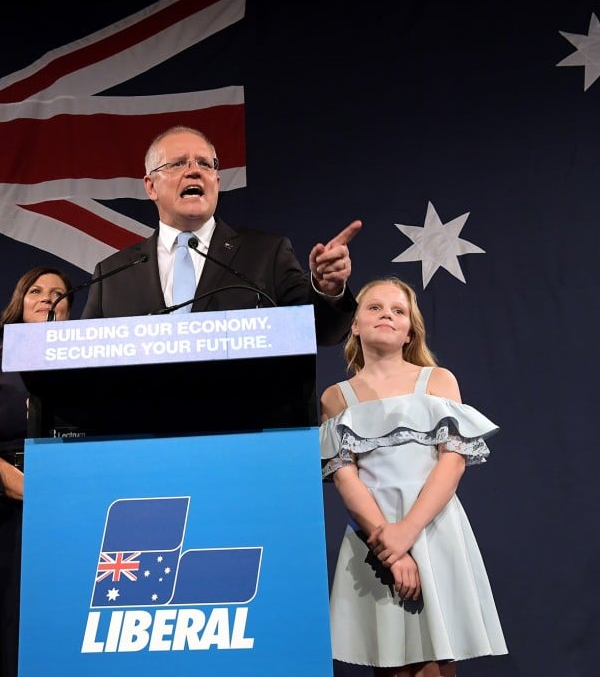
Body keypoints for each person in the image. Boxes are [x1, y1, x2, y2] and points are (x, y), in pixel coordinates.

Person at [319, 276, 507, 676]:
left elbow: (452, 462)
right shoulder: (336, 398)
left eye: (398, 311)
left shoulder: (438, 381)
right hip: (374, 539)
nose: (386, 314)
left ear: (409, 331)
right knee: (390, 659)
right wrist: (389, 545)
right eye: (374, 307)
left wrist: (408, 532)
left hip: (432, 530)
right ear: (354, 324)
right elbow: (345, 475)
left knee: (434, 662)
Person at [81, 124, 361, 344]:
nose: (194, 171)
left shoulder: (266, 254)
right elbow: (85, 365)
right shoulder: (112, 275)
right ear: (150, 186)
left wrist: (327, 290)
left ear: (216, 181)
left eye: (205, 164)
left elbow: (321, 332)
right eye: (178, 163)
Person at [0, 266, 73, 677]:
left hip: (73, 512)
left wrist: (68, 493)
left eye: (59, 293)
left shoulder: (89, 373)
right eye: (37, 291)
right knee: (3, 621)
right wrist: (38, 491)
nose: (47, 297)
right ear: (18, 307)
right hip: (8, 516)